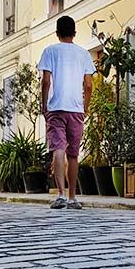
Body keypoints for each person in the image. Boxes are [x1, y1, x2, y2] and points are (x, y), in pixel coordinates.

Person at [38, 15, 95, 209]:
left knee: (58, 149)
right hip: (76, 109)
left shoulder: (50, 51)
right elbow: (88, 85)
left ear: (57, 33)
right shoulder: (84, 54)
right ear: (74, 33)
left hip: (56, 108)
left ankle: (60, 194)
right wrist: (85, 107)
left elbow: (46, 81)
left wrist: (43, 105)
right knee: (73, 154)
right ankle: (73, 197)